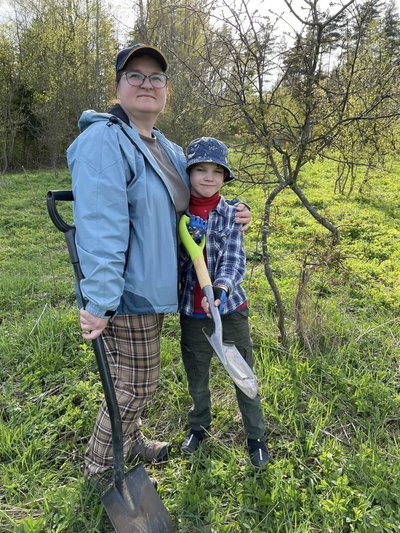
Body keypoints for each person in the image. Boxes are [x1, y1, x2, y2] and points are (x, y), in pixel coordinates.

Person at [66, 44, 251, 484]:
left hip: (157, 285)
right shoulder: (104, 139)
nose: (147, 84)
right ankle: (97, 471)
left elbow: (197, 197)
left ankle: (130, 442)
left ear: (166, 91)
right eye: (135, 75)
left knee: (135, 379)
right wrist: (102, 299)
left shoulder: (164, 146)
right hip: (126, 290)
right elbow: (100, 223)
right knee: (137, 385)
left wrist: (234, 209)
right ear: (117, 87)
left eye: (156, 78)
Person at [179, 137, 270, 468]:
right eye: (200, 170)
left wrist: (220, 289)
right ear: (188, 173)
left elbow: (234, 259)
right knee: (197, 374)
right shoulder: (179, 214)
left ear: (225, 177)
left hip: (229, 310)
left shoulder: (232, 213)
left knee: (242, 371)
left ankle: (255, 436)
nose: (208, 177)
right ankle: (199, 426)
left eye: (217, 172)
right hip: (192, 312)